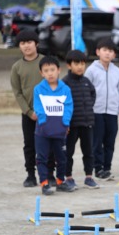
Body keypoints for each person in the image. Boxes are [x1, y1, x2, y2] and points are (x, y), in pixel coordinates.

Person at [10, 29, 55, 187]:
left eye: (29, 42)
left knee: (50, 144)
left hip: (48, 113)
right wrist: (29, 112)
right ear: (19, 46)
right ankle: (30, 174)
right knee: (29, 144)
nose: (26, 46)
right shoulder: (16, 67)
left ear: (36, 43)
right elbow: (18, 92)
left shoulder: (46, 62)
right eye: (23, 43)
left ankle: (50, 174)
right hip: (29, 114)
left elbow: (54, 85)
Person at [85, 38, 119, 180]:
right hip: (96, 112)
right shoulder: (91, 70)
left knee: (110, 141)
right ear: (98, 52)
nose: (107, 54)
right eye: (104, 50)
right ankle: (98, 168)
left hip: (112, 112)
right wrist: (87, 110)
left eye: (110, 51)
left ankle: (107, 167)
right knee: (97, 141)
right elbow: (86, 92)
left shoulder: (118, 72)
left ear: (114, 55)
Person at [32, 56, 74, 195]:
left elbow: (68, 107)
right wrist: (43, 122)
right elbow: (37, 106)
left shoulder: (65, 89)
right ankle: (44, 183)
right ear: (41, 73)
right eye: (46, 70)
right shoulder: (38, 89)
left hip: (60, 129)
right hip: (42, 130)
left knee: (62, 157)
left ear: (58, 70)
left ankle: (60, 181)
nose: (50, 73)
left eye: (52, 70)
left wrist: (65, 123)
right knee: (42, 157)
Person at [62, 50, 99, 190]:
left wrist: (88, 108)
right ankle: (68, 178)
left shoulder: (86, 82)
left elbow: (92, 95)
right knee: (68, 152)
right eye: (76, 63)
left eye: (83, 63)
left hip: (87, 123)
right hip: (71, 125)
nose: (80, 66)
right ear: (69, 65)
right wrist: (65, 122)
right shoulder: (64, 83)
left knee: (88, 151)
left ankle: (89, 177)